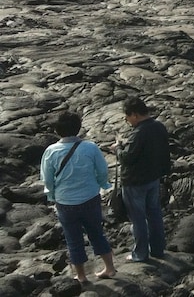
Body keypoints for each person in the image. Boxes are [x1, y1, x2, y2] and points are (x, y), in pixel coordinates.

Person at [41, 111, 117, 282]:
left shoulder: (51, 151)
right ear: (78, 128)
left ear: (57, 130)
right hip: (90, 198)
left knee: (73, 240)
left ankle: (81, 276)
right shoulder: (90, 147)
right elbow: (103, 170)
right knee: (97, 233)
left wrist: (52, 195)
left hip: (65, 202)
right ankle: (110, 268)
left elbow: (47, 179)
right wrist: (103, 184)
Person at [117, 96, 171, 263]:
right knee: (154, 214)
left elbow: (128, 158)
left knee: (138, 218)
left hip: (135, 182)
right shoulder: (159, 126)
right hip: (153, 178)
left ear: (134, 115)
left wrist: (118, 148)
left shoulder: (139, 132)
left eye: (127, 118)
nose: (128, 122)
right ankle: (158, 249)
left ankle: (140, 253)